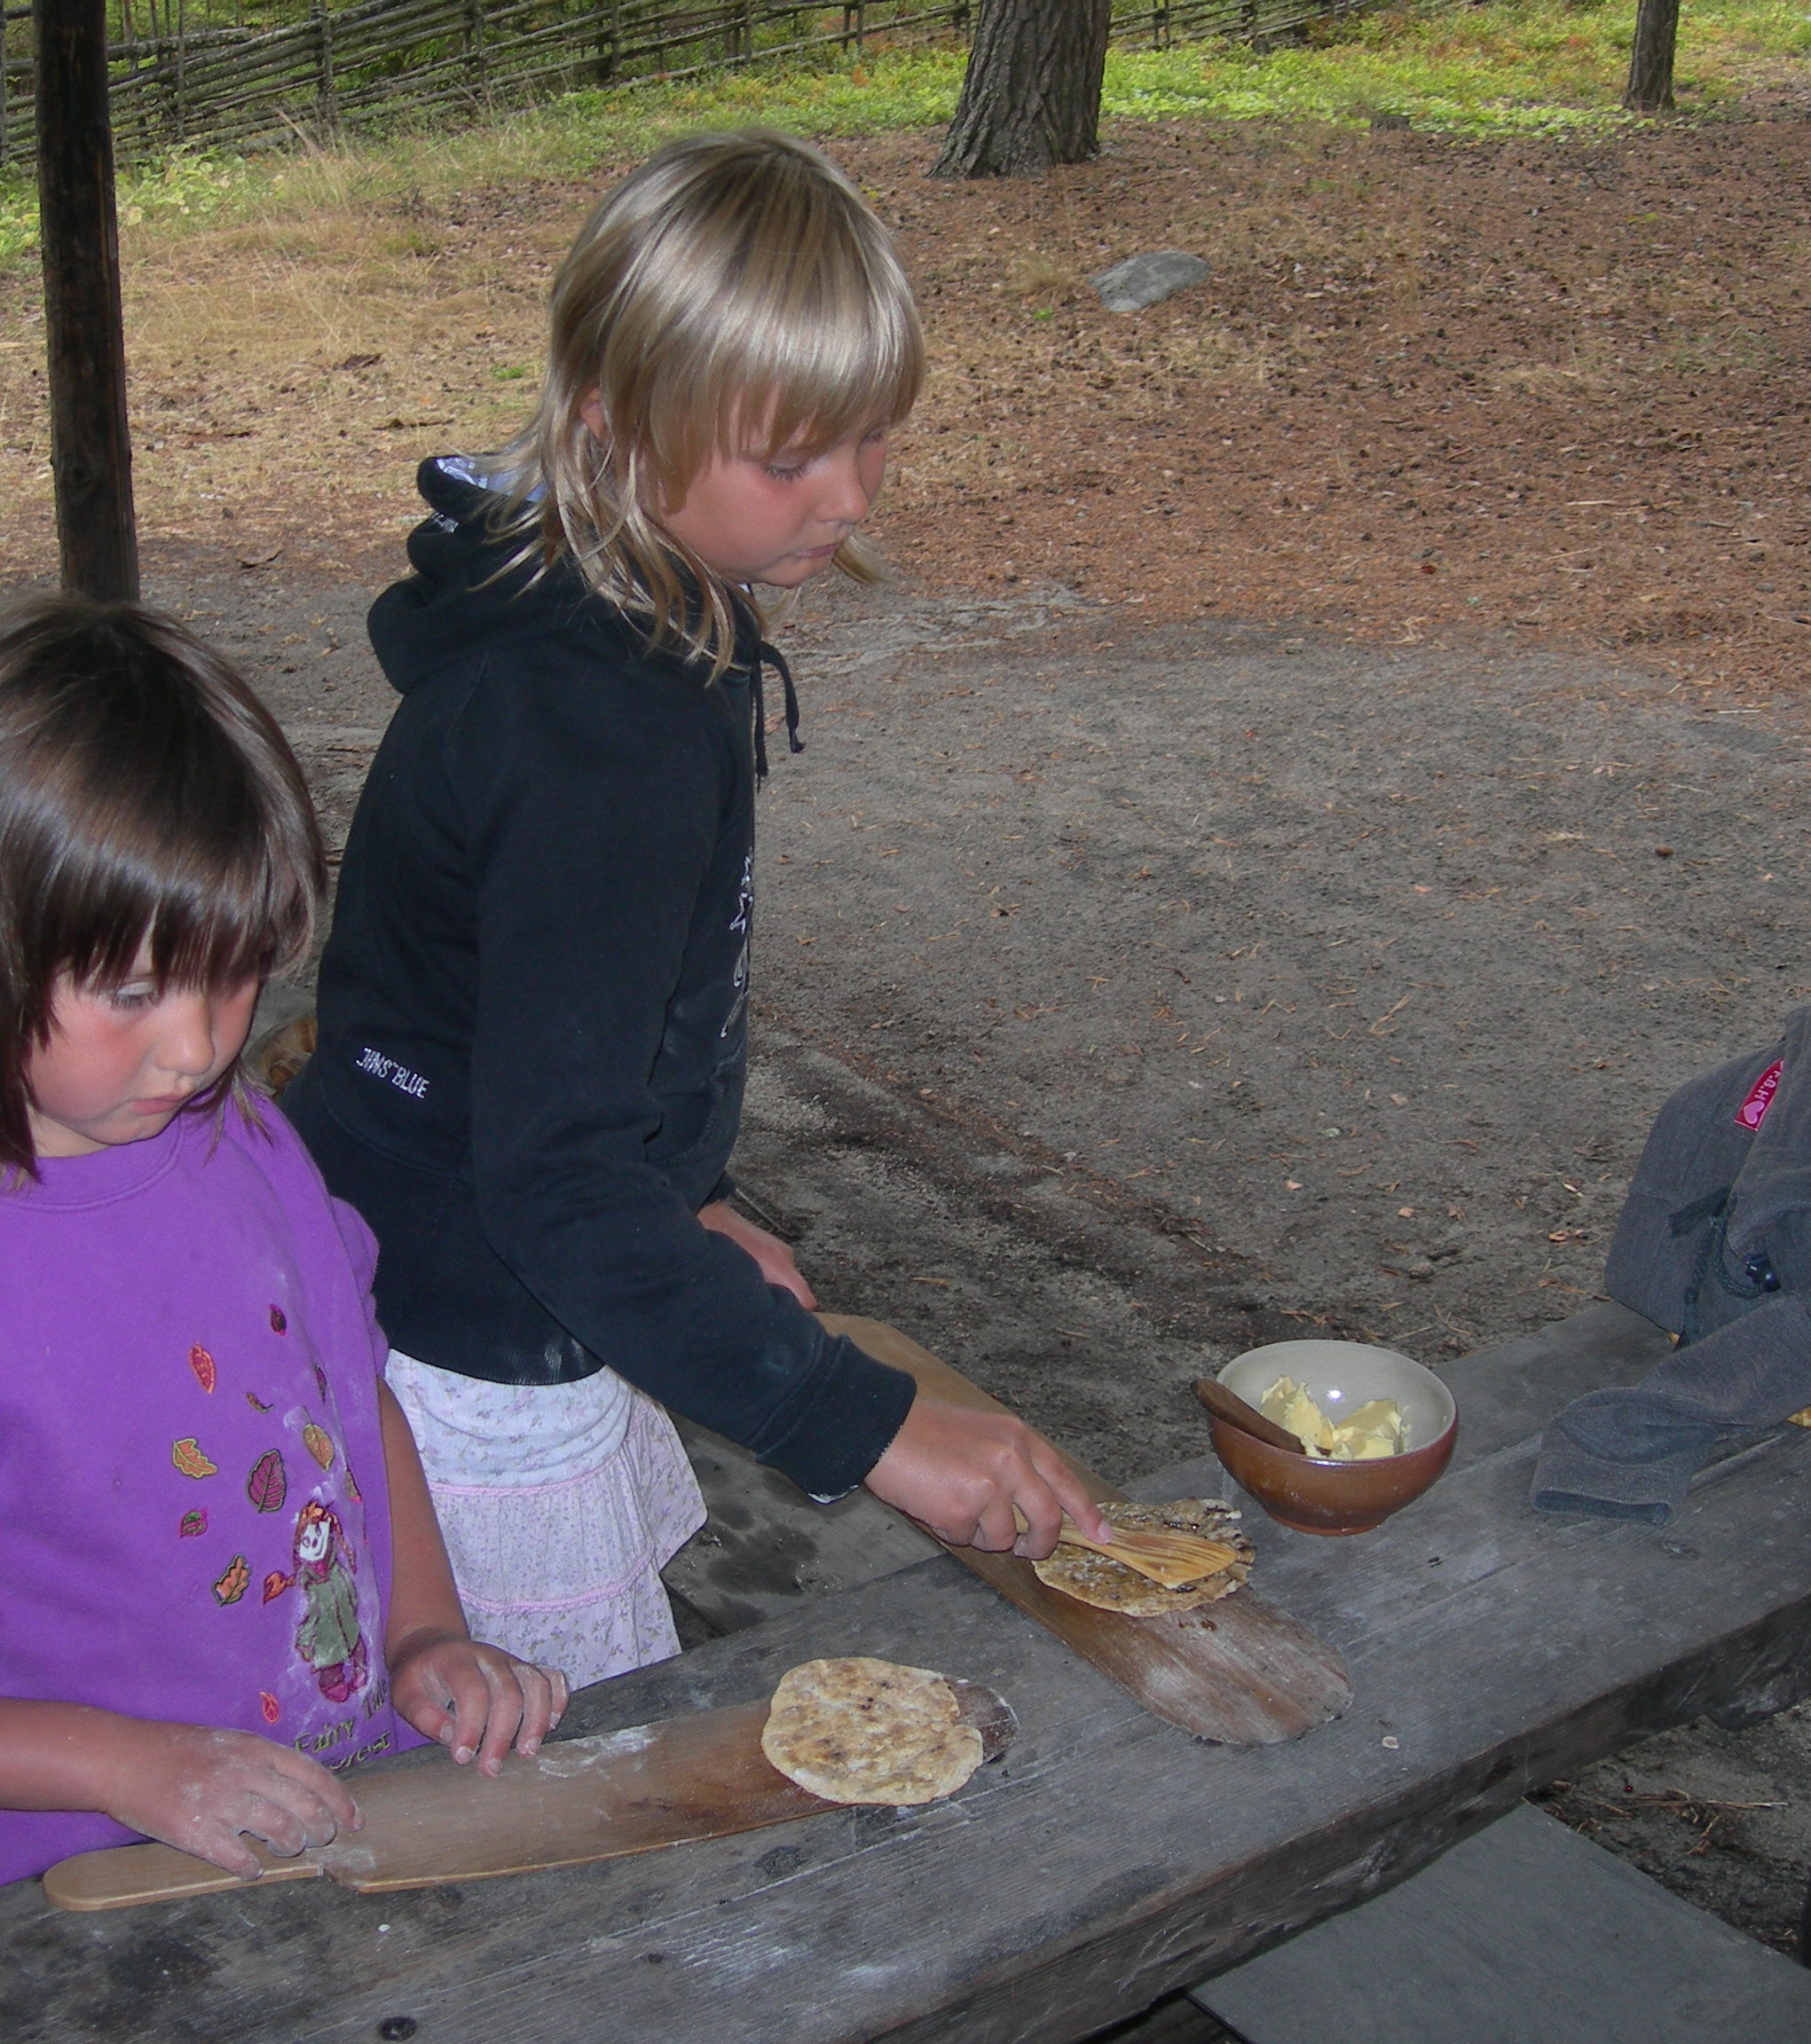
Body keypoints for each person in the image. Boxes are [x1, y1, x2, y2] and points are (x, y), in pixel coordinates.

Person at [282, 130, 1106, 1690]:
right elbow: (552, 1179)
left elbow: (534, 1025)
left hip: (426, 1225)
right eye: (790, 459)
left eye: (873, 438)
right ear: (614, 421)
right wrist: (869, 1423)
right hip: (470, 1330)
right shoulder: (597, 737)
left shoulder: (611, 609)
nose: (847, 498)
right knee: (535, 1777)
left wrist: (686, 1193)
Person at [0, 601, 565, 1913]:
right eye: (134, 991)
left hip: (327, 1811)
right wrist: (127, 1766)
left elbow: (346, 1391)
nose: (198, 1048)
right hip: (77, 1891)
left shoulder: (239, 1135)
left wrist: (425, 1629)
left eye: (237, 971)